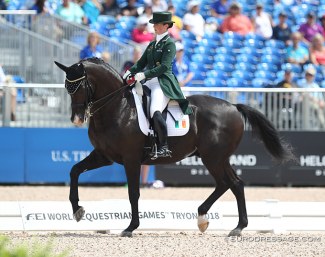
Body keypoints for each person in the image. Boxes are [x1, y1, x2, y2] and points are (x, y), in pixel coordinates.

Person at [122, 12, 192, 159]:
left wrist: (144, 75)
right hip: (149, 81)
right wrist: (129, 72)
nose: (154, 26)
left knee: (154, 109)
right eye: (154, 24)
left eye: (157, 24)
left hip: (163, 82)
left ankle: (163, 146)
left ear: (166, 26)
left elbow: (164, 67)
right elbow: (141, 63)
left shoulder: (170, 44)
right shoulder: (152, 44)